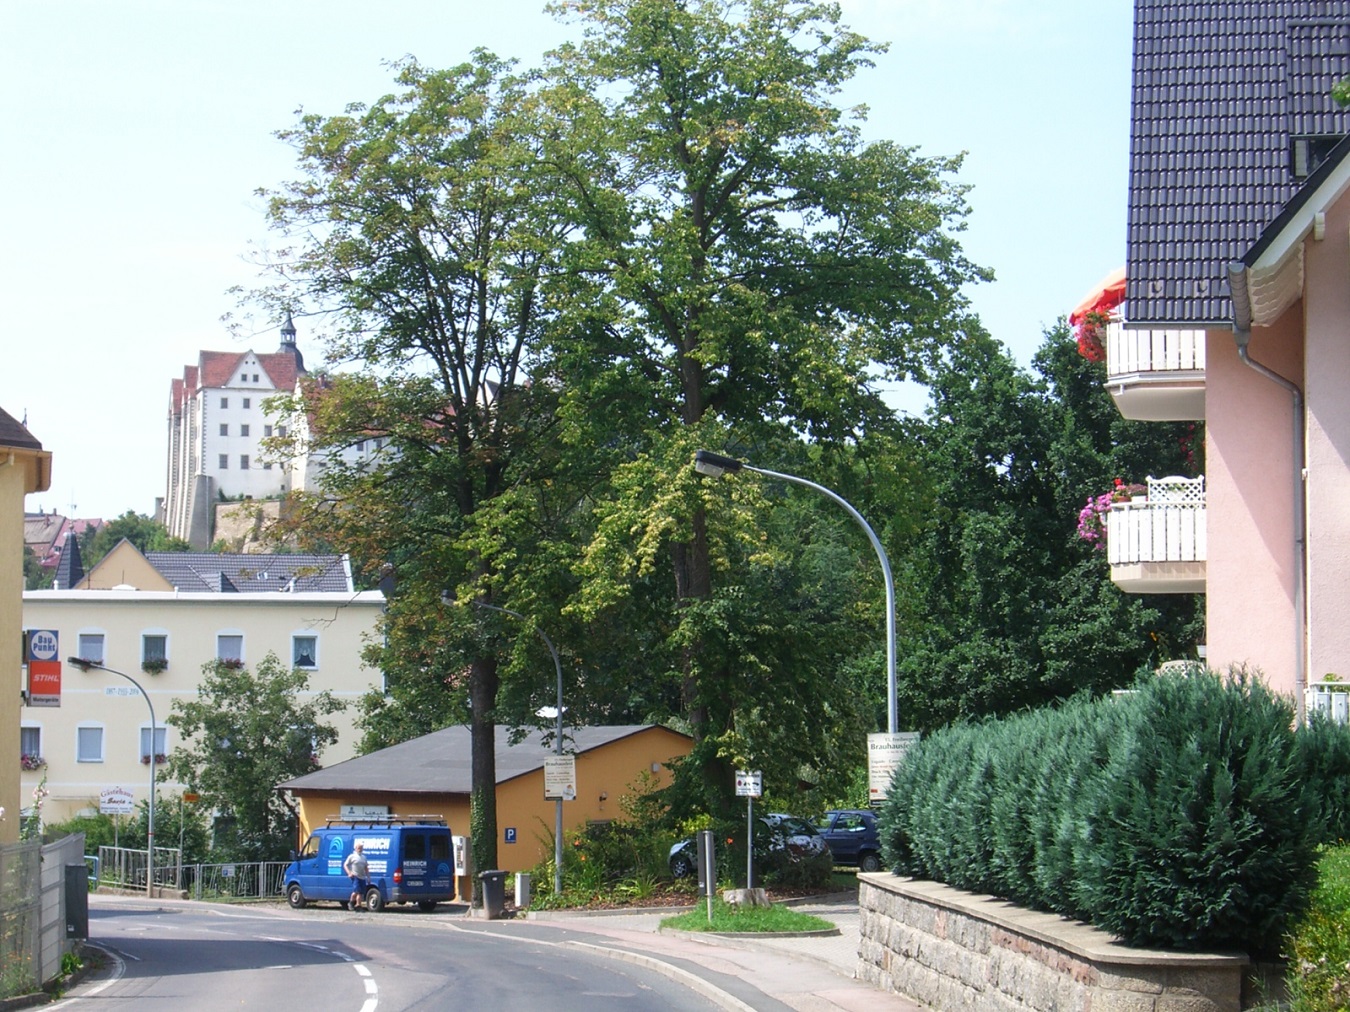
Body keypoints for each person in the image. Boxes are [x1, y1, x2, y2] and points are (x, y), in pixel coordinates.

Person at [343, 842, 369, 911]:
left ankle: (358, 906)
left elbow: (366, 868)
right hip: (355, 876)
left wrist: (368, 877)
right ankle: (351, 903)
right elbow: (345, 865)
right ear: (355, 848)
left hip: (362, 877)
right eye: (358, 848)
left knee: (360, 893)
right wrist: (349, 873)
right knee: (356, 891)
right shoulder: (352, 856)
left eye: (361, 848)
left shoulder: (364, 857)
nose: (360, 849)